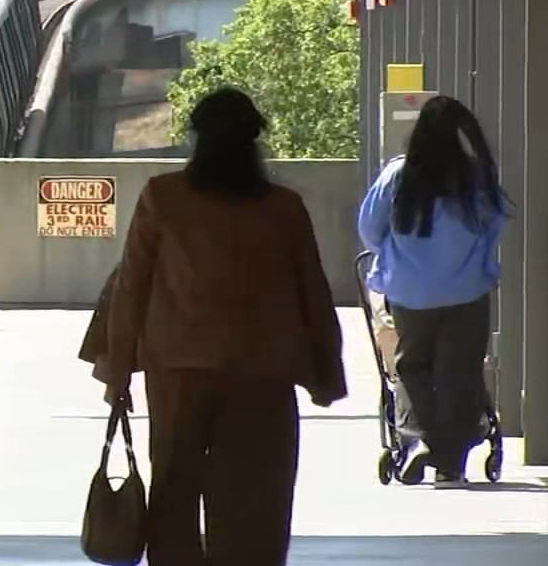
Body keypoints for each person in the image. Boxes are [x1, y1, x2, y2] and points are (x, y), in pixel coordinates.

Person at [80, 87, 347, 566]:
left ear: (197, 139)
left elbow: (132, 288)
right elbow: (313, 292)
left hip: (178, 374)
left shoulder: (163, 198)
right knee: (257, 497)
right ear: (254, 142)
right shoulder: (283, 208)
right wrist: (327, 372)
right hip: (263, 376)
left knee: (175, 490)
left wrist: (118, 371)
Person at [357, 95, 511, 489]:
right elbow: (494, 223)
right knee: (460, 371)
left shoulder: (399, 175)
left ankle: (422, 437)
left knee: (413, 366)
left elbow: (370, 230)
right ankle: (450, 463)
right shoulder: (474, 178)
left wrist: (397, 255)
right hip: (466, 289)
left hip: (410, 291)